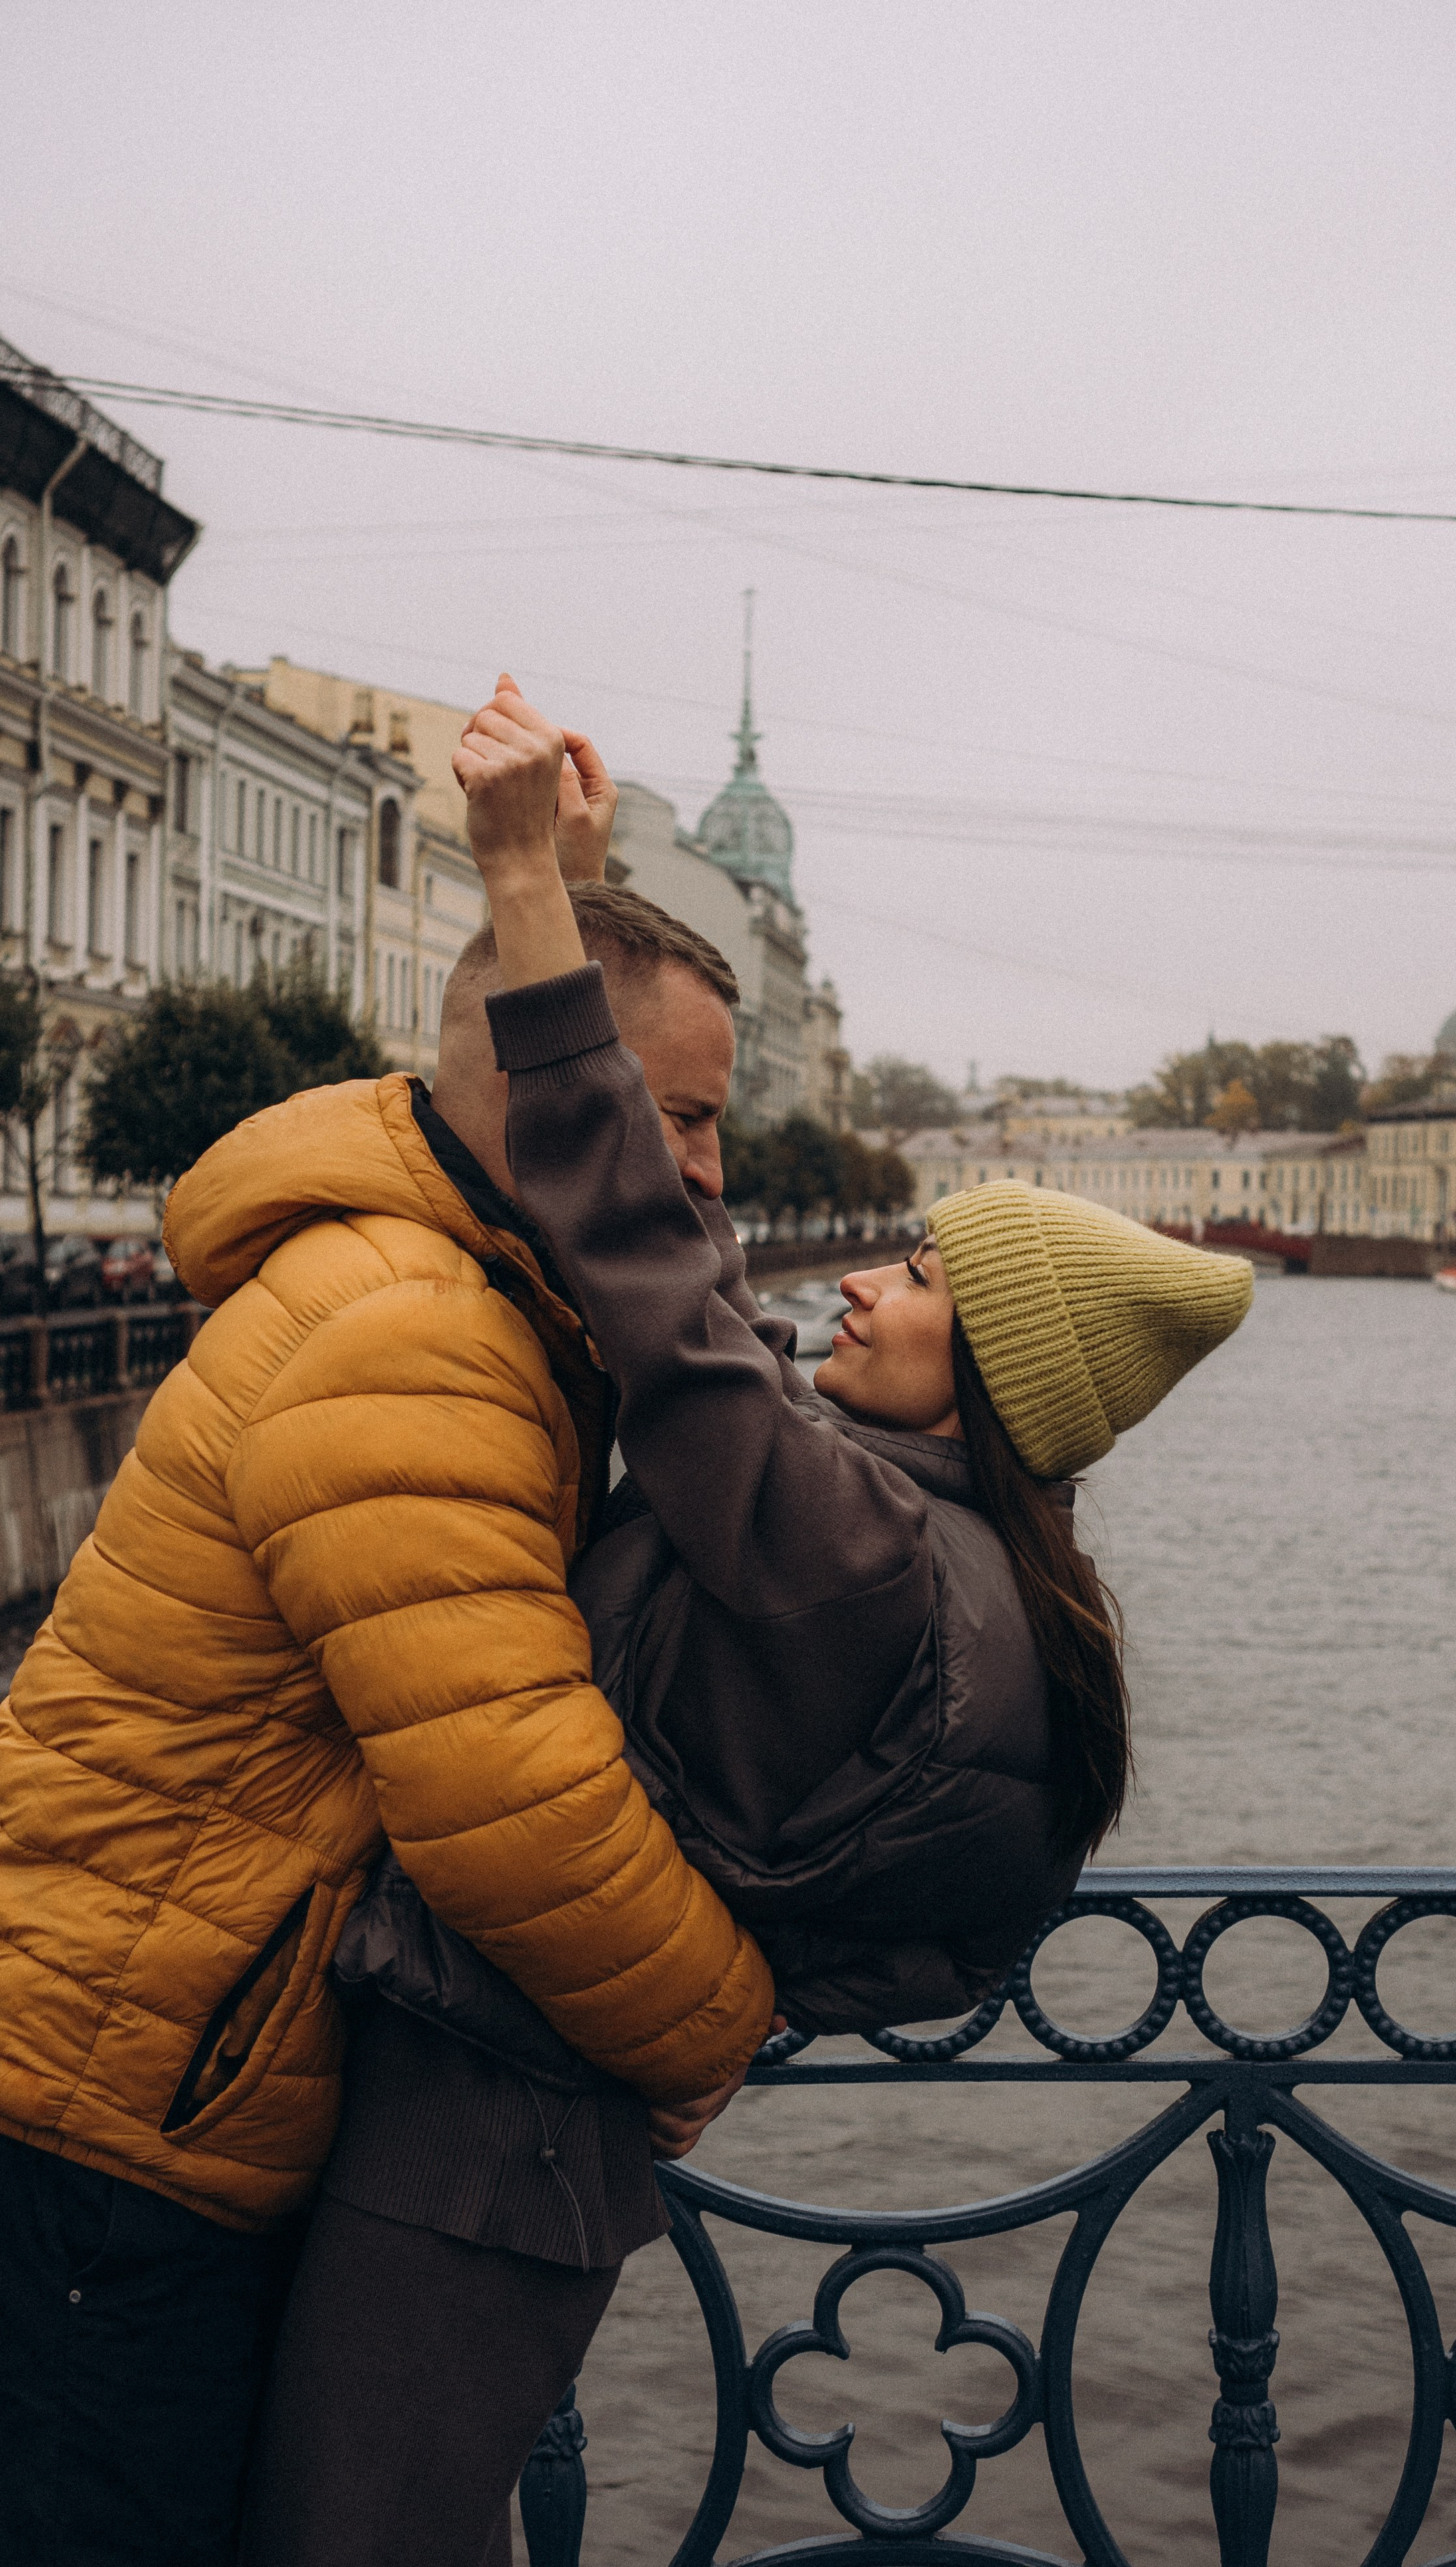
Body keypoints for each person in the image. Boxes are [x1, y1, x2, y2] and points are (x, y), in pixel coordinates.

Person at [267, 677, 1252, 2567]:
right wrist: (727, 1988)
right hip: (543, 2126)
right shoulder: (982, 1580)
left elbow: (658, 1273)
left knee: (338, 2535)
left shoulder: (856, 1548)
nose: (864, 1282)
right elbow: (943, 1932)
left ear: (996, 1372)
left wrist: (532, 896)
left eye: (923, 1277)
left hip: (471, 2119)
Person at [0, 725, 775, 2567]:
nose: (707, 1169)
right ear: (546, 1088)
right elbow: (511, 1799)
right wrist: (715, 2026)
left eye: (713, 1121)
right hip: (106, 2120)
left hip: (133, 2076)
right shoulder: (419, 1335)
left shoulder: (455, 1288)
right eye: (677, 1115)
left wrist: (556, 888)